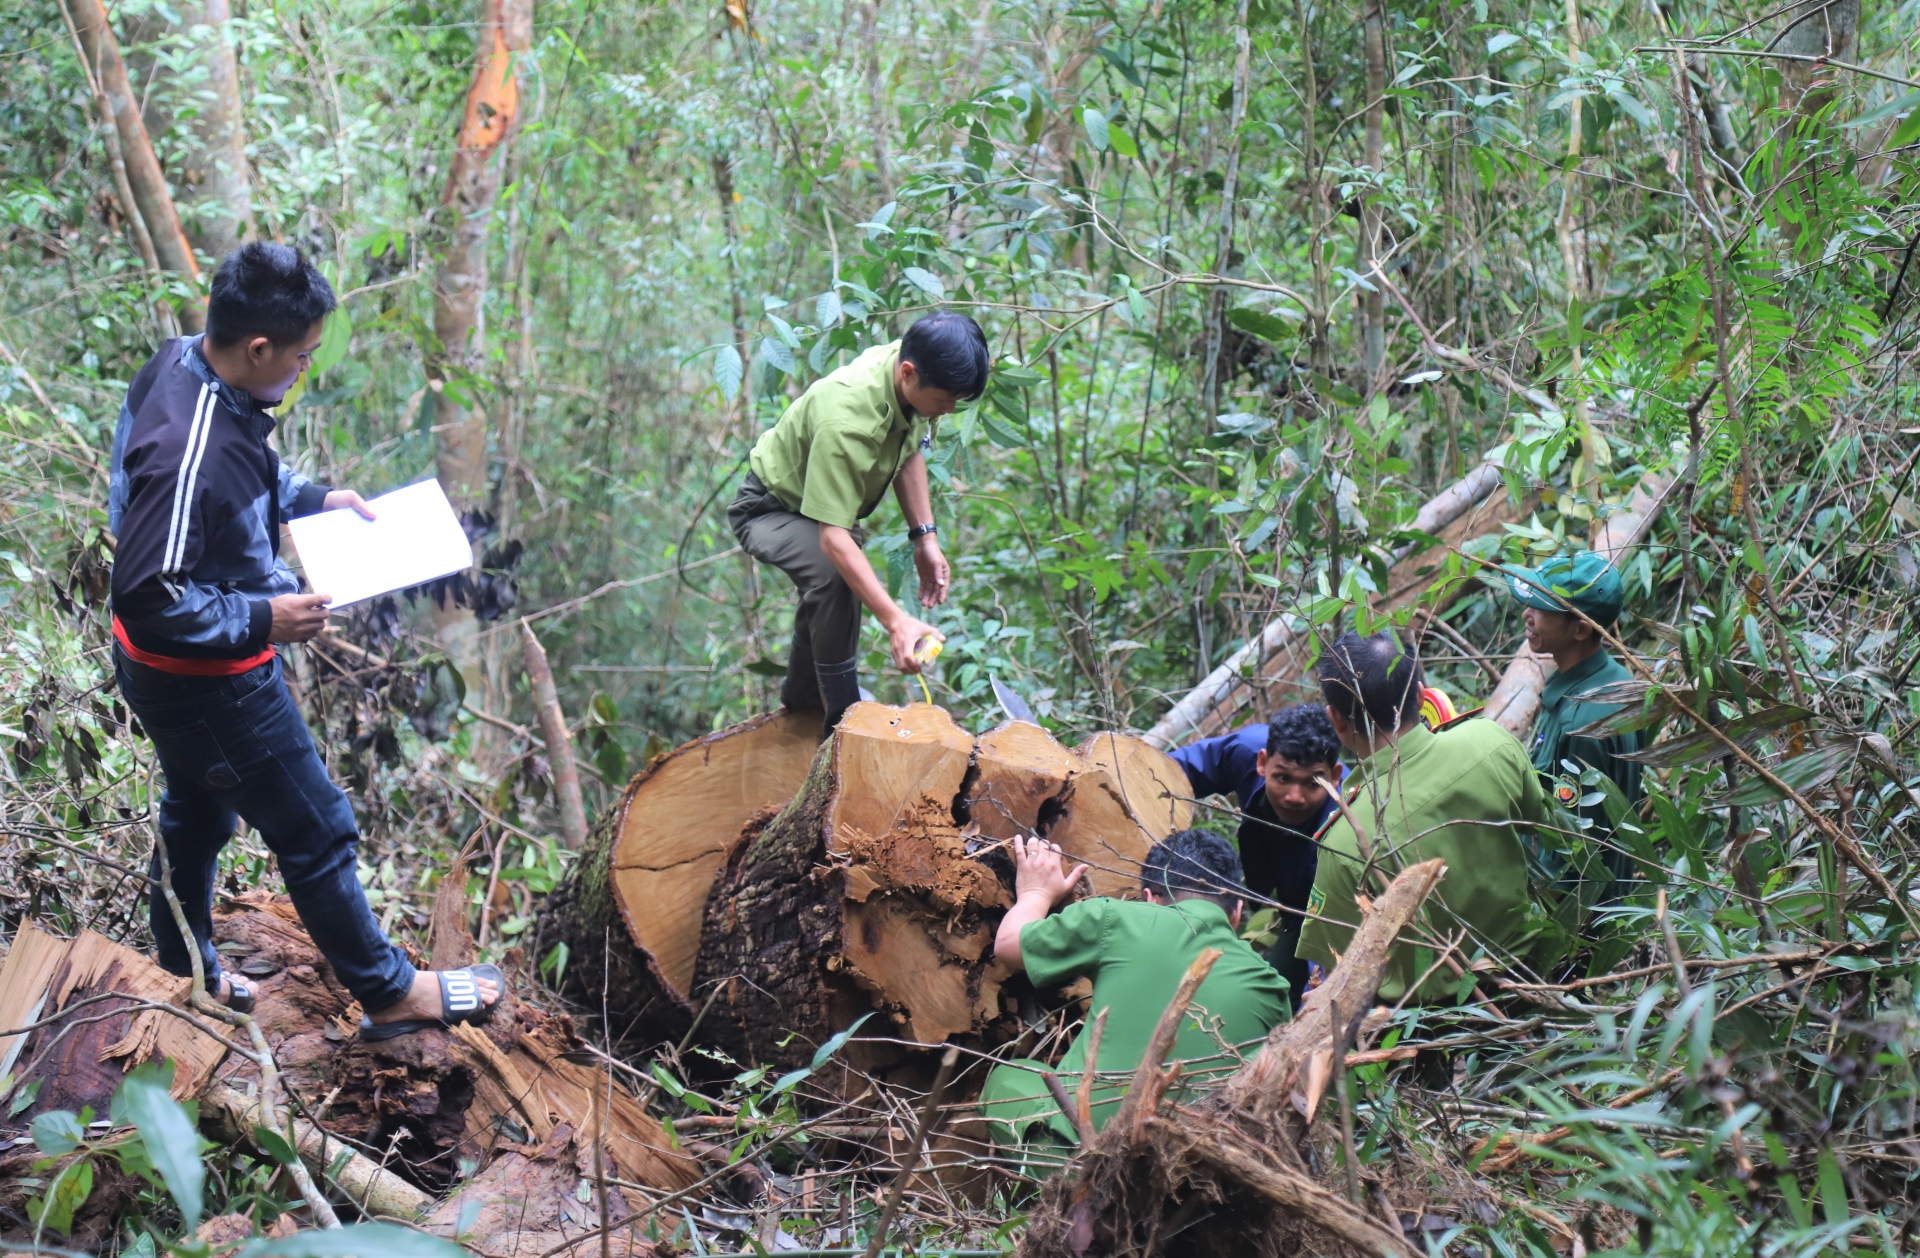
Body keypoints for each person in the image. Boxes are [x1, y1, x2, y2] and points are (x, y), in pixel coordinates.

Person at [110, 242, 503, 1040]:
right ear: (259, 348)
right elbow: (147, 591)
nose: (303, 369)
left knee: (197, 811)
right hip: (206, 679)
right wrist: (265, 619)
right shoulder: (188, 450)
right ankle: (390, 993)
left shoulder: (187, 364)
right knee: (316, 829)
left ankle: (183, 970)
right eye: (301, 355)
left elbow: (242, 465)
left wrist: (314, 497)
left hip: (174, 672)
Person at [728, 313, 990, 736]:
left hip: (819, 507)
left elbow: (908, 451)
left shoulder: (911, 369)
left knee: (832, 579)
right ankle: (841, 726)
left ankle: (802, 702)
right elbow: (832, 539)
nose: (950, 409)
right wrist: (896, 622)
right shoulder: (847, 419)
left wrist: (926, 538)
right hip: (769, 509)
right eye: (946, 399)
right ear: (909, 373)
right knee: (833, 575)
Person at [977, 830, 1290, 1168]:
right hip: (1201, 1184)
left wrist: (1035, 893)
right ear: (1236, 911)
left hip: (1083, 1168)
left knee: (1010, 1078)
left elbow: (1009, 945)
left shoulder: (1114, 919)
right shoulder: (1271, 985)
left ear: (1149, 898)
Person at [1297, 631, 1548, 1004]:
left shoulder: (1345, 840)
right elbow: (1545, 831)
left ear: (1336, 721)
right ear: (1418, 694)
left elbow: (1339, 965)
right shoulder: (1491, 742)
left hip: (1435, 1026)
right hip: (1540, 966)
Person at [1167, 704, 1342, 1005]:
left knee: (1273, 999)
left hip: (1310, 917)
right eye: (1283, 778)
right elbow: (1166, 773)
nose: (1294, 797)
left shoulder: (1347, 825)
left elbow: (1335, 930)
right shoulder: (1244, 751)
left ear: (1335, 776)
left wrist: (1322, 991)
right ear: (1262, 763)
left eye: (1312, 783)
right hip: (1260, 887)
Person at [1506, 552, 1645, 888]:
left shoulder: (1580, 725)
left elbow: (1576, 853)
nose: (1527, 615)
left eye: (1540, 609)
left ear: (1581, 630)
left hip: (1576, 925)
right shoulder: (1616, 680)